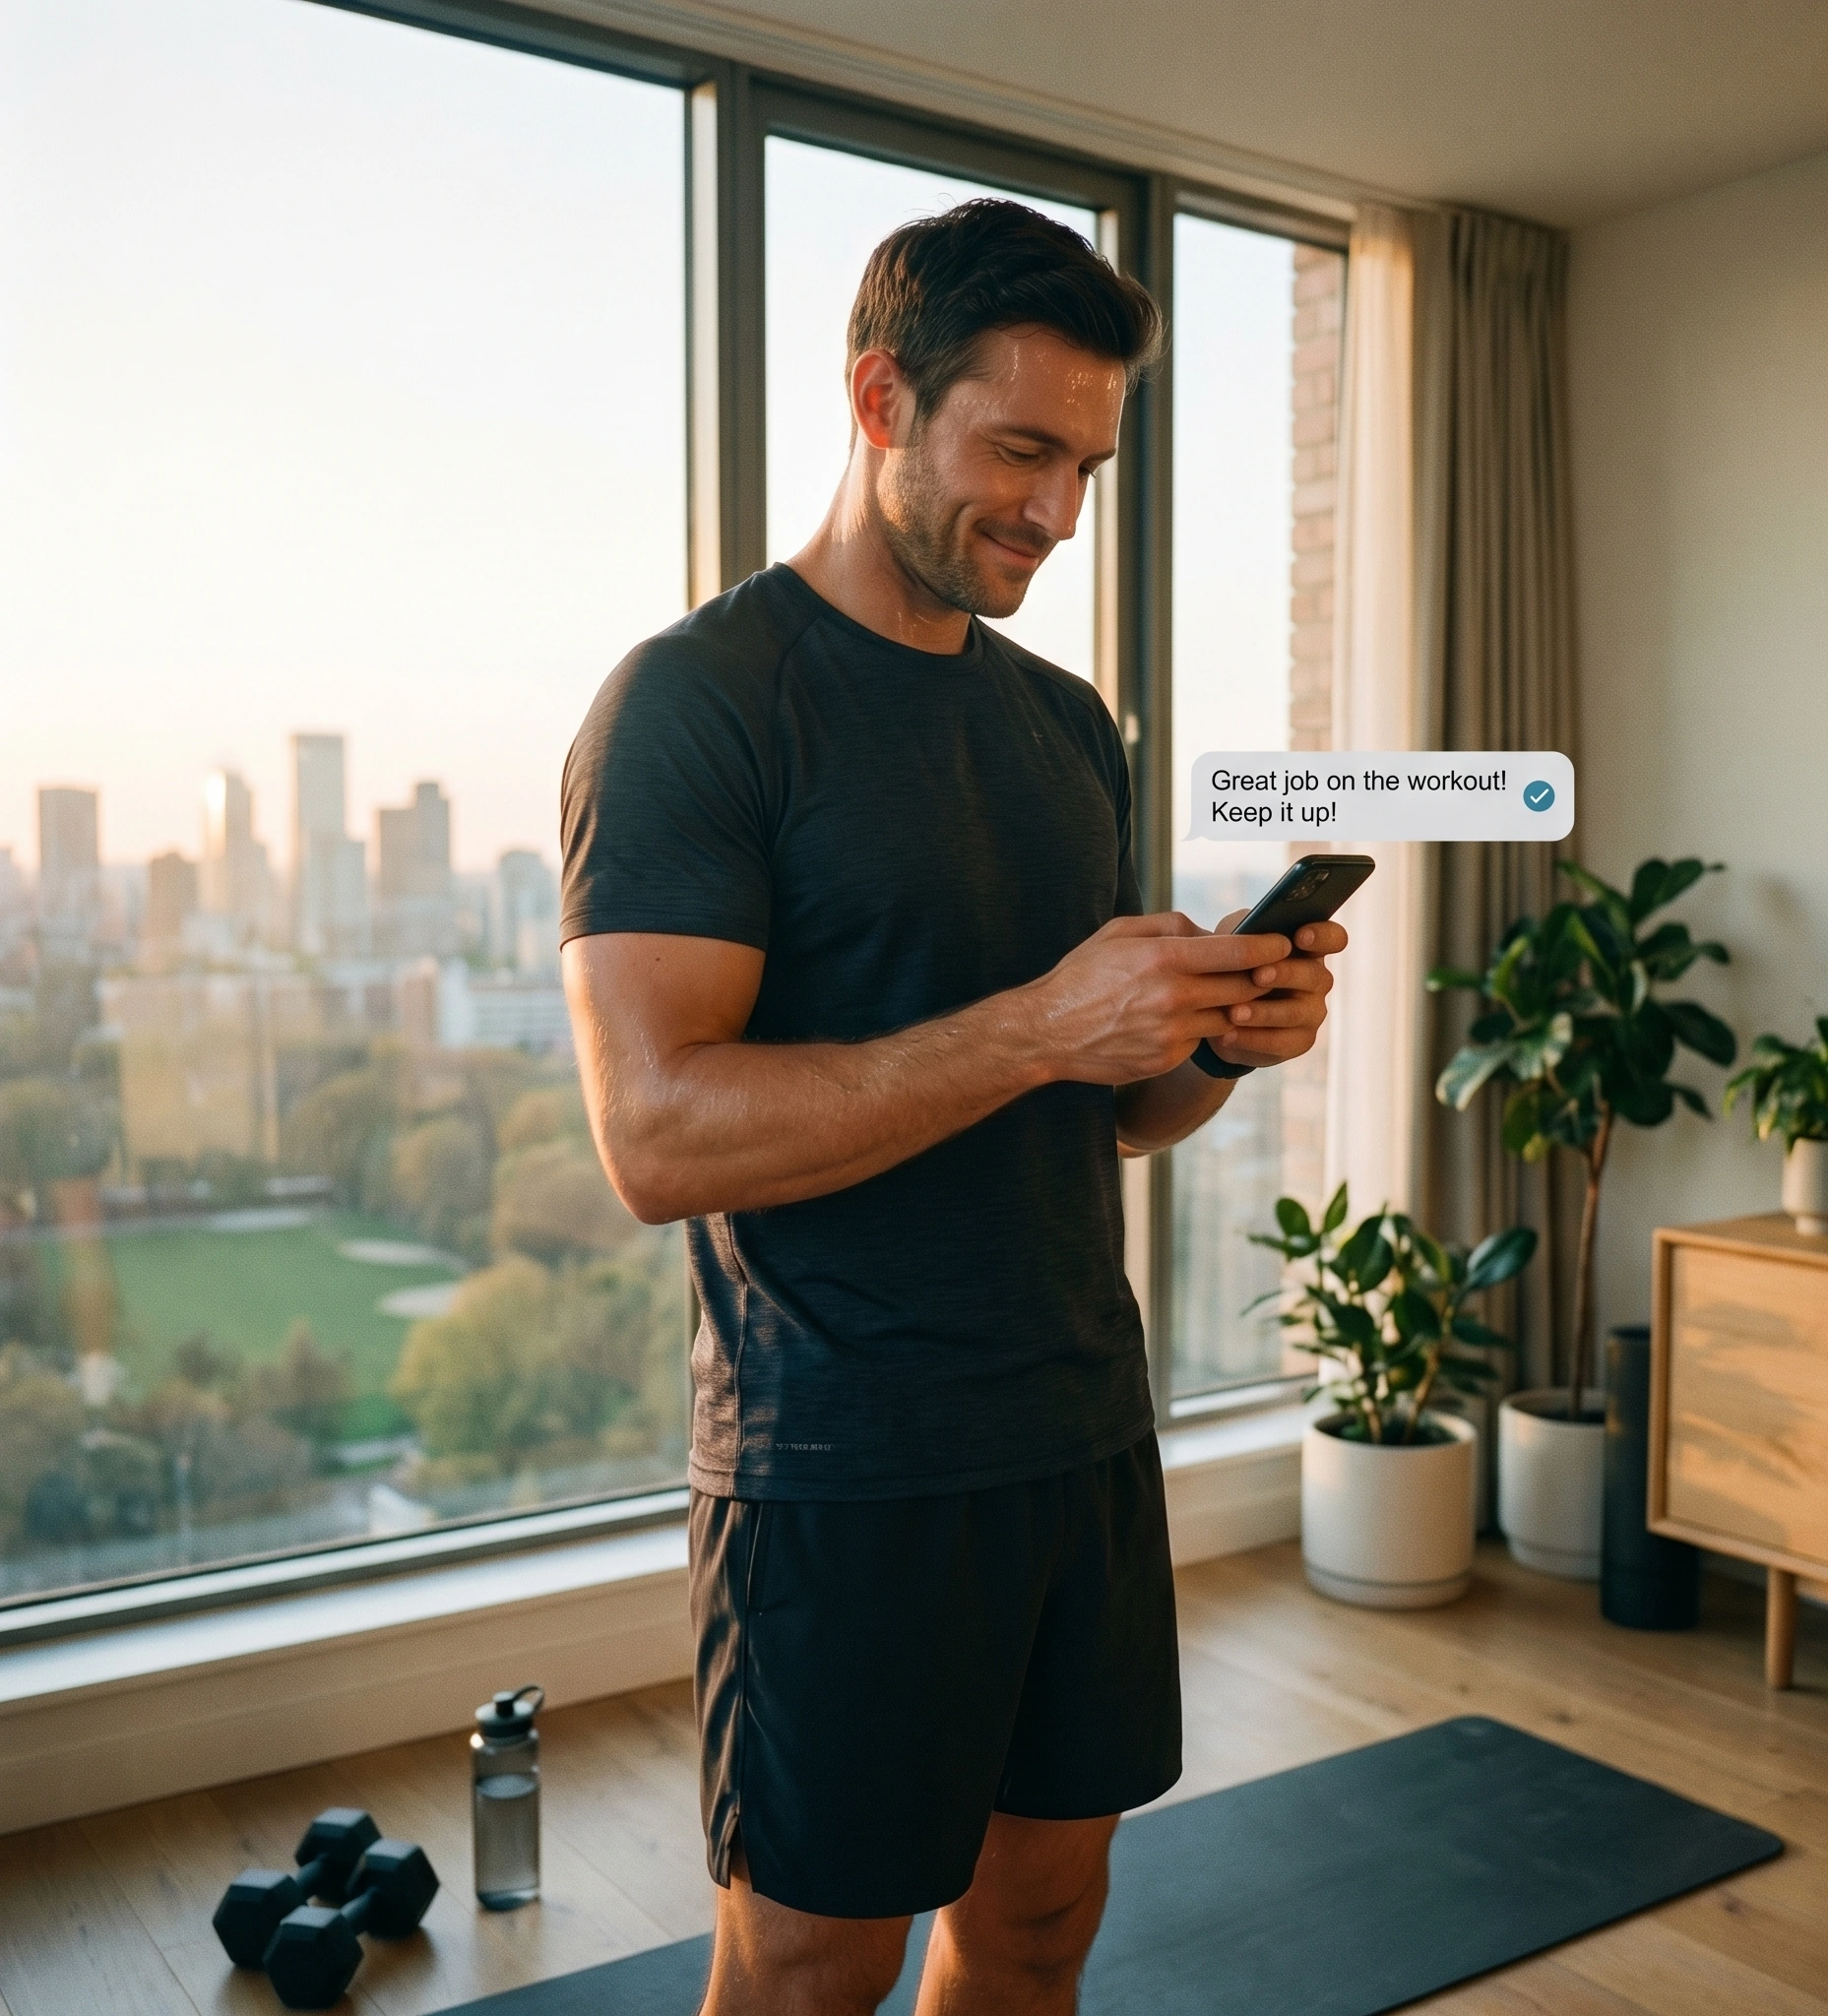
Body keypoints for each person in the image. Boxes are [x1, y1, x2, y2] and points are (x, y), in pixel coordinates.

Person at [559, 198, 1348, 2016]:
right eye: (1018, 450)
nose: (1059, 512)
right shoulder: (696, 705)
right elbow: (656, 1138)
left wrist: (1214, 1041)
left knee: (1043, 1927)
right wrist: (1035, 1024)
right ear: (878, 397)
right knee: (815, 1970)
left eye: (1086, 462)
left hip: (1077, 1427)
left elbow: (1109, 1112)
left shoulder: (1071, 729)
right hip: (840, 1469)